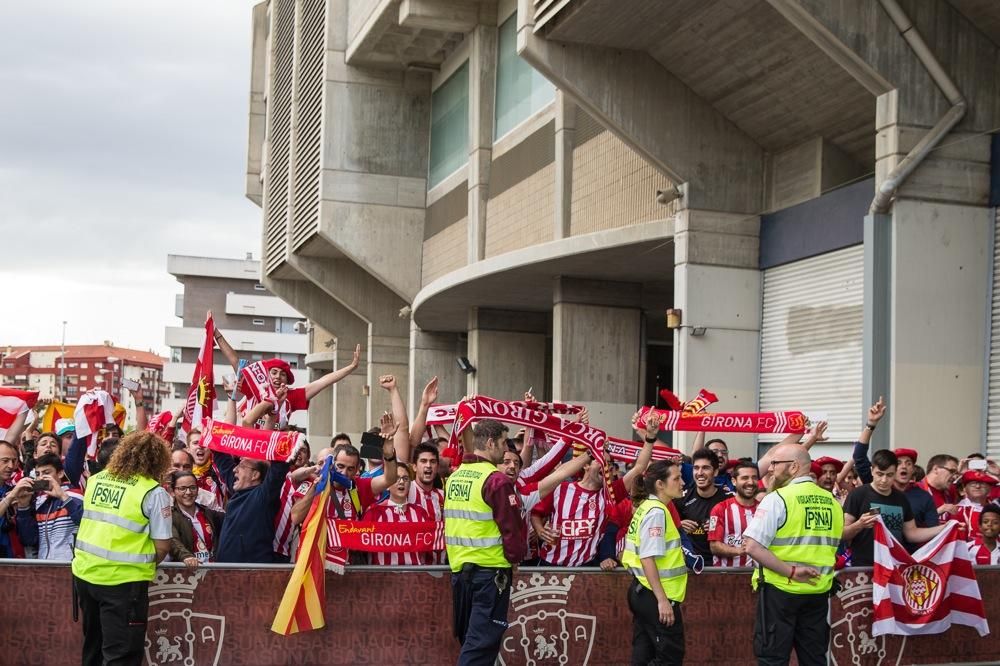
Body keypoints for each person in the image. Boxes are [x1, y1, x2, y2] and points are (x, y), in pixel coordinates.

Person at [71, 431, 173, 666]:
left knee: (93, 649)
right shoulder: (153, 492)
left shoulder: (97, 480)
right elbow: (162, 546)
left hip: (86, 576)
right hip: (124, 585)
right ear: (158, 461)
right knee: (121, 656)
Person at [743, 443, 844, 666]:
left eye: (775, 463)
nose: (770, 469)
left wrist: (792, 571)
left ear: (793, 467)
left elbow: (751, 546)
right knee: (814, 659)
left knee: (773, 659)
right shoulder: (833, 503)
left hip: (781, 590)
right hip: (817, 592)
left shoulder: (777, 499)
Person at [445, 418, 526, 666]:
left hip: (461, 572)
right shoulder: (496, 480)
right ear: (490, 443)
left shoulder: (456, 476)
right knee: (481, 645)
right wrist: (514, 559)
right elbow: (512, 529)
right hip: (490, 574)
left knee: (471, 640)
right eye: (503, 442)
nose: (505, 449)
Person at [621, 460, 688, 665]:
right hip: (655, 594)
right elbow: (647, 557)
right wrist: (662, 600)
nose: (683, 482)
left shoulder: (647, 507)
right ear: (660, 484)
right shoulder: (656, 511)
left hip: (641, 589)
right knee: (670, 656)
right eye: (676, 478)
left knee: (643, 652)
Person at [843, 449, 947, 565]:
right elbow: (841, 533)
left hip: (894, 568)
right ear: (872, 471)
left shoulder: (901, 498)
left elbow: (912, 533)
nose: (884, 480)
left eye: (889, 475)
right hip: (863, 568)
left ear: (895, 472)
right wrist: (859, 525)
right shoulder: (858, 494)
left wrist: (946, 527)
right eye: (880, 474)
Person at [13, 453, 83, 560]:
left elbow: (85, 523)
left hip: (69, 565)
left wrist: (63, 496)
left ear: (60, 473)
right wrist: (23, 507)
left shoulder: (74, 495)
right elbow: (30, 540)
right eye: (37, 474)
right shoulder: (39, 501)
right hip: (44, 565)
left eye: (46, 473)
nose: (41, 477)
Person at [364, 462, 431, 565]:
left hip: (414, 576)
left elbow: (428, 547)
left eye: (405, 478)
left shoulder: (420, 512)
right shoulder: (373, 513)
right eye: (396, 478)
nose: (401, 482)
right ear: (386, 485)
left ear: (410, 484)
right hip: (383, 577)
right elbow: (363, 546)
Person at [677, 448, 732, 561]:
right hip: (692, 564)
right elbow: (667, 527)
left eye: (705, 468)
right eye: (696, 468)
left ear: (715, 472)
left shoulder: (729, 498)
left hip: (721, 565)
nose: (700, 473)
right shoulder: (682, 497)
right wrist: (679, 525)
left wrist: (720, 527)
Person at [707, 459, 760, 567]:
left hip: (758, 577)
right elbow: (714, 546)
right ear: (734, 481)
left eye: (754, 478)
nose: (750, 482)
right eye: (745, 478)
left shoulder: (764, 509)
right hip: (726, 576)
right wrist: (742, 550)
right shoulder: (720, 509)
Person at [168, 471, 224, 567]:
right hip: (187, 575)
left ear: (198, 489)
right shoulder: (169, 516)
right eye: (182, 488)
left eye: (192, 488)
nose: (188, 492)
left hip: (213, 572)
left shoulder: (209, 514)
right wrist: (186, 557)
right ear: (173, 491)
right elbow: (172, 540)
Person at [955, 470, 998, 539]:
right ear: (964, 489)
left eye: (982, 484)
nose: (978, 486)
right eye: (973, 484)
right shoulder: (956, 510)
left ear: (989, 490)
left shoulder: (996, 510)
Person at [918, 454, 960, 523]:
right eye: (952, 471)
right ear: (936, 469)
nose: (955, 477)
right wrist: (939, 511)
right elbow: (911, 524)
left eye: (956, 473)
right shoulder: (916, 490)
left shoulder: (950, 492)